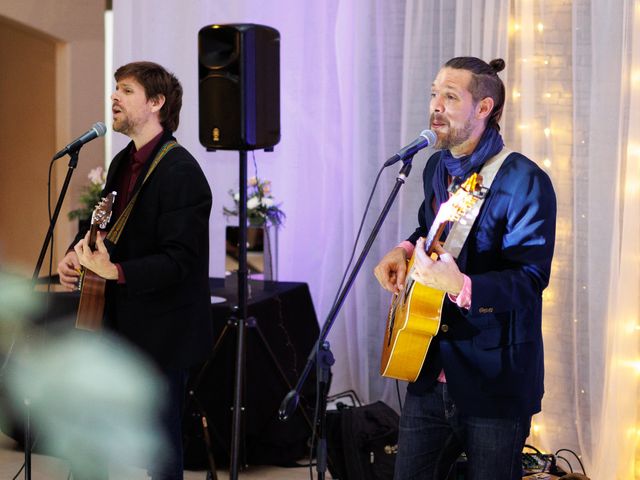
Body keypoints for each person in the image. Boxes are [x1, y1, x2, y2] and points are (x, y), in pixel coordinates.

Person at [374, 57, 556, 480]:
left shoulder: (525, 180)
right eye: (434, 93)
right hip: (428, 363)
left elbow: (530, 280)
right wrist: (401, 250)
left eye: (450, 97)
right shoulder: (437, 166)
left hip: (494, 378)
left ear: (484, 108)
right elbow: (430, 228)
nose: (435, 105)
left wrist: (462, 284)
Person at [57, 61, 213, 480]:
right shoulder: (123, 162)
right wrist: (77, 252)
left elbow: (180, 260)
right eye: (115, 89)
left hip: (163, 334)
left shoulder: (182, 172)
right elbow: (107, 227)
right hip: (118, 325)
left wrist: (117, 272)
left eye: (126, 90)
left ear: (157, 102)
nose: (114, 97)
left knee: (159, 450)